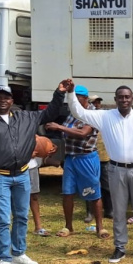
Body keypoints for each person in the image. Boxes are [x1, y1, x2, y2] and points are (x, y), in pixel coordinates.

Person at [0, 82, 67, 264]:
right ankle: (4, 258)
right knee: (2, 219)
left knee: (21, 216)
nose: (3, 100)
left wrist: (59, 93)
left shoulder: (25, 117)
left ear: (12, 100)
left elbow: (50, 113)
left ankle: (19, 253)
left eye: (7, 97)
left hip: (22, 175)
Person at [67, 81, 133, 263]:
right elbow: (78, 112)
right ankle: (120, 247)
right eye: (120, 97)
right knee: (119, 211)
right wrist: (71, 92)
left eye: (127, 97)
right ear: (115, 99)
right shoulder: (104, 116)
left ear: (132, 99)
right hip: (116, 169)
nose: (124, 100)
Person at [46, 85, 109, 240]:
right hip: (71, 158)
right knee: (67, 193)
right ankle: (69, 226)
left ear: (85, 98)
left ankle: (100, 227)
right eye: (71, 98)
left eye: (76, 98)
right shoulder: (72, 113)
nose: (72, 101)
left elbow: (83, 133)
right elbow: (66, 135)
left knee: (94, 193)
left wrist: (58, 126)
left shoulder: (93, 113)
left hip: (86, 158)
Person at [29, 135, 56, 237]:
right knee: (16, 198)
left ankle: (38, 227)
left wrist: (49, 147)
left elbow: (38, 139)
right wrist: (25, 154)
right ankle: (16, 227)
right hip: (17, 166)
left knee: (34, 196)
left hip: (31, 166)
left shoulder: (28, 123)